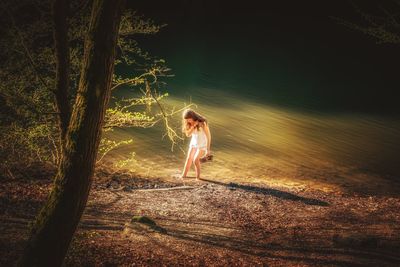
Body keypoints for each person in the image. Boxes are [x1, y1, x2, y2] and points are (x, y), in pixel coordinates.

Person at [180, 109, 212, 179]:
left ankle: (198, 178)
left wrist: (208, 149)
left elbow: (208, 136)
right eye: (186, 119)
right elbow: (188, 134)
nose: (187, 121)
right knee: (189, 159)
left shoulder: (203, 123)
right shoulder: (188, 123)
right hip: (194, 142)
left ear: (193, 116)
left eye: (189, 119)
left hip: (202, 144)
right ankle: (183, 176)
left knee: (195, 160)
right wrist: (193, 126)